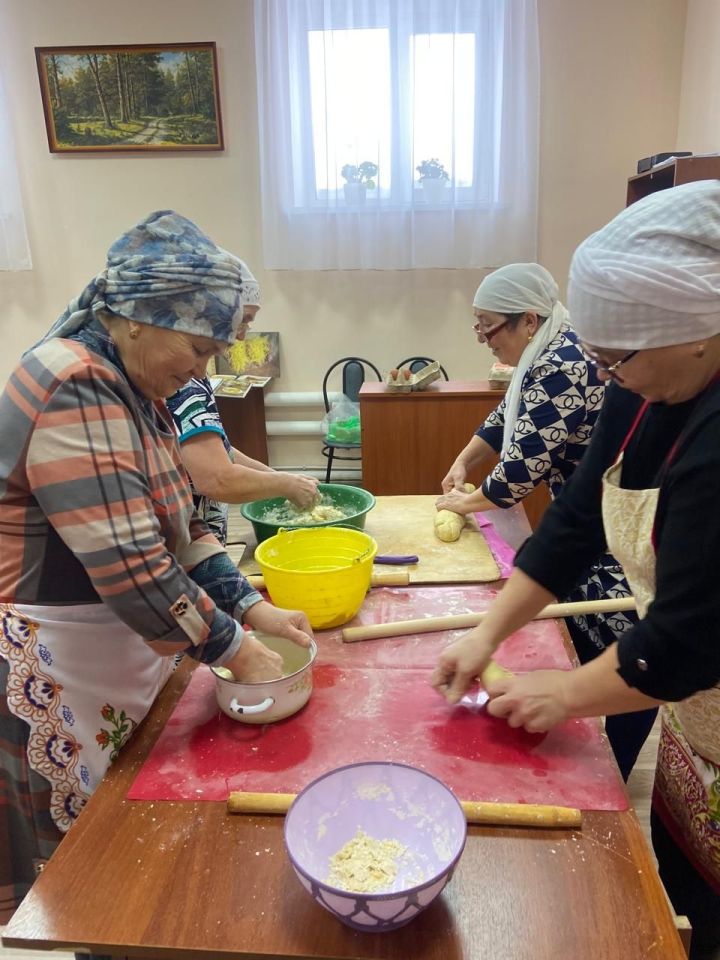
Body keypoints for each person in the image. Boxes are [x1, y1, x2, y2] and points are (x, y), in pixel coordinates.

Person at [431, 180, 720, 960]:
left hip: (699, 671)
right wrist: (488, 632)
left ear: (698, 329)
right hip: (701, 729)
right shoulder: (643, 386)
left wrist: (563, 691)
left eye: (618, 356)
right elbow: (574, 523)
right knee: (691, 887)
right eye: (595, 354)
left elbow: (690, 637)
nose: (607, 374)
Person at [0, 210, 314, 926]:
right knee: (91, 884)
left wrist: (254, 610)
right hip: (49, 662)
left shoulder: (138, 390)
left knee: (133, 866)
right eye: (199, 348)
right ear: (141, 318)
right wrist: (238, 649)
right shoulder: (74, 383)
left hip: (105, 650)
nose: (199, 371)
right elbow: (134, 567)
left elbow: (181, 532)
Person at [435, 262, 653, 780]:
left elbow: (673, 642)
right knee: (580, 637)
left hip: (623, 560)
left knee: (613, 645)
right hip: (595, 529)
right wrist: (465, 461)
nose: (601, 372)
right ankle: (592, 754)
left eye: (489, 327)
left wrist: (568, 693)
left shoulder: (569, 364)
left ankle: (608, 769)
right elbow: (571, 508)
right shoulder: (576, 360)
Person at [166, 259, 319, 545]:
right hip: (185, 543)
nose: (242, 334)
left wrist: (275, 477)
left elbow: (221, 452)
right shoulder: (179, 380)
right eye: (243, 319)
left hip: (204, 539)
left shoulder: (195, 376)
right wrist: (284, 484)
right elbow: (216, 478)